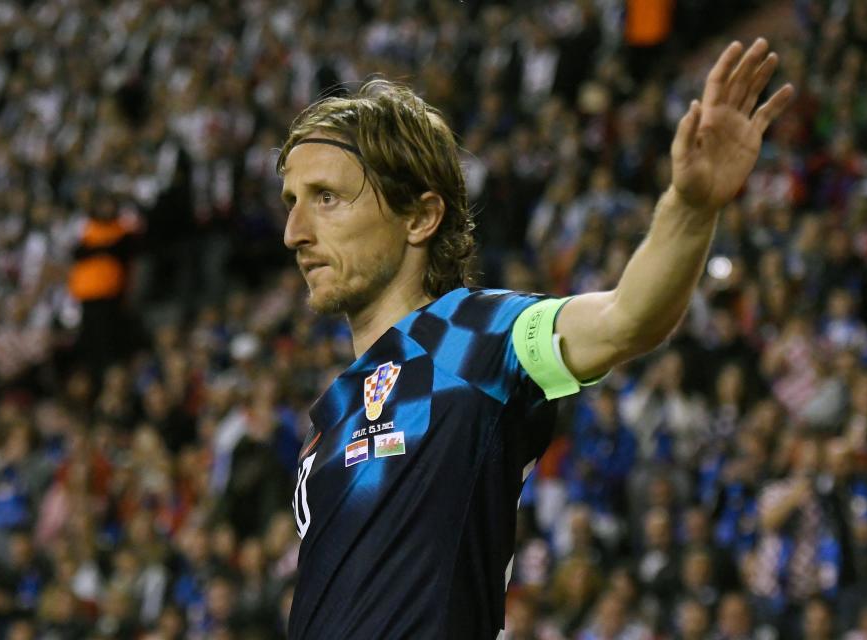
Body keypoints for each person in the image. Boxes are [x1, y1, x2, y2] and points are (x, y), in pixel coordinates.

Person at [277, 39, 793, 639]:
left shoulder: (471, 335)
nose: (294, 233)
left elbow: (628, 317)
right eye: (291, 202)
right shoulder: (331, 414)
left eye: (327, 199)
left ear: (420, 217)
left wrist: (691, 206)